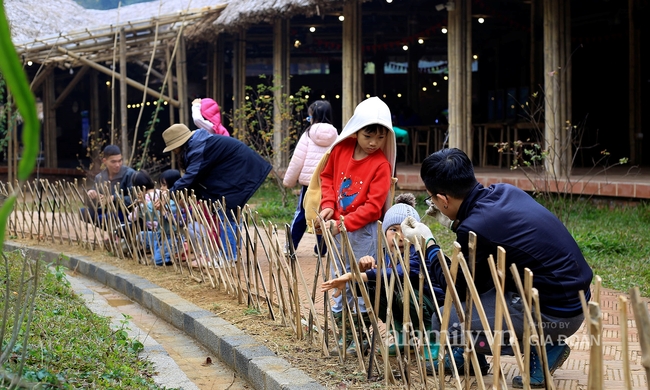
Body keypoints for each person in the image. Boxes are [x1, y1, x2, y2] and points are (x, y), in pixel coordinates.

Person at [400, 148, 593, 386]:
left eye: (432, 199)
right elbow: (485, 253)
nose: (435, 205)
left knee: (446, 322)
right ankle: (470, 359)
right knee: (481, 285)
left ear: (443, 199)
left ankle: (545, 345)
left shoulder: (475, 229)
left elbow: (457, 290)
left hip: (557, 314)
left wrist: (428, 244)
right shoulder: (504, 190)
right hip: (575, 297)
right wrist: (454, 222)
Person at [305, 96, 397, 356]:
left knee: (359, 283)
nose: (374, 143)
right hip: (337, 229)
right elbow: (328, 178)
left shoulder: (380, 164)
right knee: (338, 282)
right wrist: (328, 206)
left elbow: (373, 207)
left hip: (363, 234)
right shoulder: (340, 149)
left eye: (381, 137)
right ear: (356, 130)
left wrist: (341, 223)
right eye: (369, 135)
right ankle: (346, 338)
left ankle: (360, 338)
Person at [321, 193, 444, 359]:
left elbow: (399, 273)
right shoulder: (385, 256)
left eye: (405, 230)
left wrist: (354, 275)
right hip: (410, 302)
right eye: (393, 230)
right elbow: (369, 286)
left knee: (404, 292)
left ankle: (432, 338)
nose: (399, 237)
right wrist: (362, 269)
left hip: (435, 307)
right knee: (376, 288)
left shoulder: (418, 253)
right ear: (384, 233)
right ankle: (401, 336)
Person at [161, 123, 272, 262]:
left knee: (227, 212)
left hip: (241, 172)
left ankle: (229, 256)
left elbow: (192, 175)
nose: (174, 151)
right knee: (229, 213)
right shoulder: (197, 144)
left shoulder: (198, 147)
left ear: (179, 143)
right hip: (234, 174)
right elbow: (197, 178)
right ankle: (230, 254)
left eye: (173, 148)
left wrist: (170, 193)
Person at [282, 100, 338, 257]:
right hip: (329, 184)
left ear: (313, 116)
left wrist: (289, 181)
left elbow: (297, 160)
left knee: (302, 214)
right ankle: (321, 249)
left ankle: (291, 246)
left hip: (309, 185)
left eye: (309, 117)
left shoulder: (308, 134)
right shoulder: (336, 135)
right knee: (325, 215)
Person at [128, 170, 177, 266]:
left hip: (170, 235)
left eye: (164, 186)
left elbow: (132, 218)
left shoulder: (171, 202)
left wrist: (144, 205)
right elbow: (150, 214)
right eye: (161, 185)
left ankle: (168, 254)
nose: (161, 188)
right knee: (142, 235)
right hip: (158, 233)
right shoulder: (158, 194)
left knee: (157, 260)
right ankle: (158, 251)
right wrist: (142, 205)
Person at [80, 144, 136, 228]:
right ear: (104, 161)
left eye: (120, 161)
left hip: (125, 212)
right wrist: (91, 195)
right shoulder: (100, 177)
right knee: (83, 212)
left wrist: (113, 198)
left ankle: (116, 233)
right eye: (113, 162)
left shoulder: (130, 174)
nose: (117, 165)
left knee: (102, 219)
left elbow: (135, 199)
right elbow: (94, 204)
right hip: (107, 211)